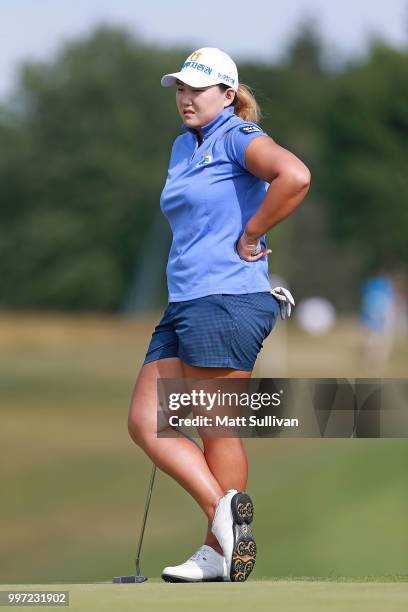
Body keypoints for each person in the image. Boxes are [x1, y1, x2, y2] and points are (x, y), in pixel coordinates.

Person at [127, 47, 311, 583]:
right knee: (146, 421)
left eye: (198, 89)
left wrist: (252, 233)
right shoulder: (184, 146)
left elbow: (294, 176)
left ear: (227, 96)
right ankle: (223, 521)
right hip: (186, 300)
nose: (185, 98)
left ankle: (217, 545)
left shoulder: (238, 137)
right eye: (180, 88)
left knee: (215, 430)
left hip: (227, 299)